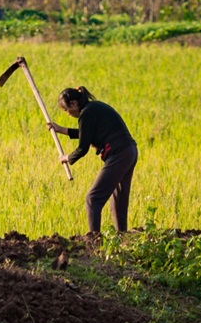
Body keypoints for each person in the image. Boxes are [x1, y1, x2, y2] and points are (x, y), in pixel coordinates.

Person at [46, 85, 138, 239]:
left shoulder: (86, 114)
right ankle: (123, 239)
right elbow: (87, 134)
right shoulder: (93, 109)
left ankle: (94, 242)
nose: (68, 114)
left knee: (93, 199)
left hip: (119, 154)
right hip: (129, 151)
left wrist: (67, 158)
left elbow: (83, 148)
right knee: (119, 201)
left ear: (74, 103)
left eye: (67, 110)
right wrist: (61, 130)